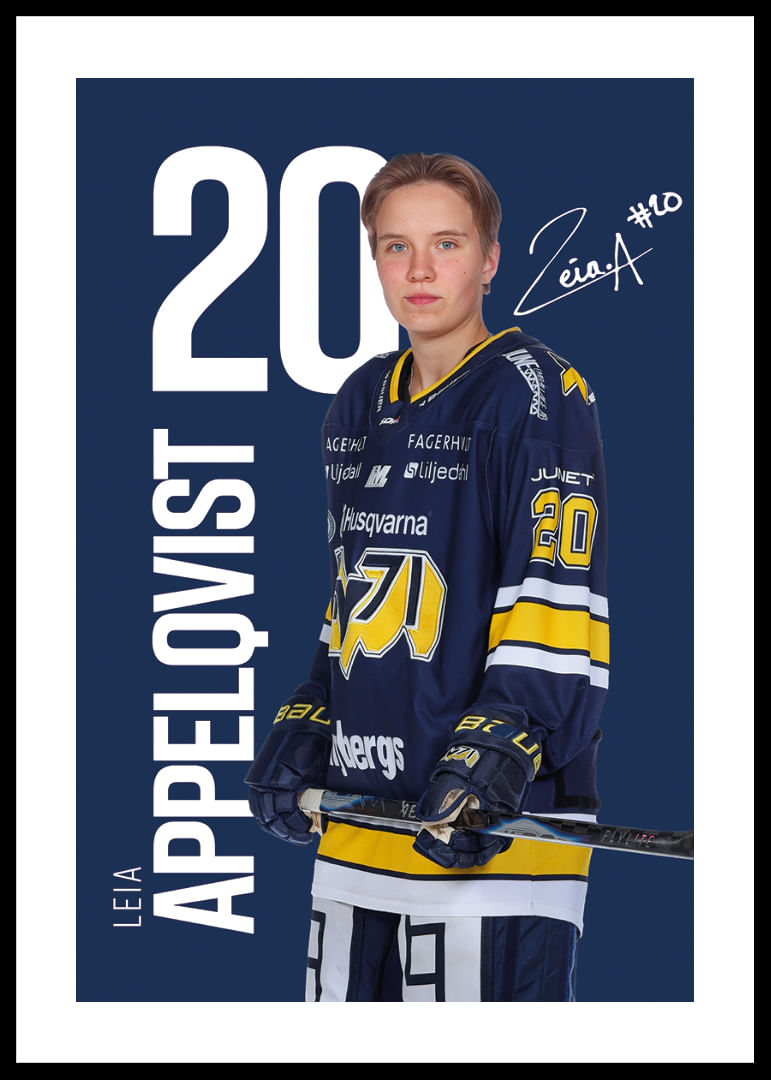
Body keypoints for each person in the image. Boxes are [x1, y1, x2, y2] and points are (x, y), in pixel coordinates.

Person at [245, 152, 610, 1002]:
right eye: (394, 246)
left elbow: (558, 590)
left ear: (488, 259)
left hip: (492, 833)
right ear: (374, 260)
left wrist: (503, 744)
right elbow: (357, 588)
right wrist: (313, 712)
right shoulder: (358, 400)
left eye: (446, 243)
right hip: (360, 824)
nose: (418, 270)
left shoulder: (535, 392)